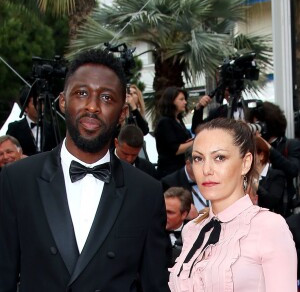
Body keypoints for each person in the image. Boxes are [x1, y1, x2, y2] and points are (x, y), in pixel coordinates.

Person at [0, 49, 170, 292]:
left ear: (122, 113)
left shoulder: (146, 192)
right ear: (62, 100)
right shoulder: (17, 180)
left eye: (107, 98)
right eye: (81, 93)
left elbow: (154, 284)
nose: (92, 106)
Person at [168, 118, 297, 292]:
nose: (206, 169)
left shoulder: (269, 227)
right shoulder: (192, 230)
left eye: (219, 157)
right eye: (198, 158)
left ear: (245, 163)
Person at [247, 101, 300, 216]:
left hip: (283, 210)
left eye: (260, 124)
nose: (257, 128)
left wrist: (267, 147)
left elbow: (293, 170)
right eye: (254, 124)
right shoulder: (253, 149)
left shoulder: (290, 145)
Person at [6, 85, 57, 156]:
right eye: (35, 103)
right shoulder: (15, 128)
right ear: (26, 107)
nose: (40, 106)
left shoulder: (51, 127)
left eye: (41, 103)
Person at [155, 86, 193, 178]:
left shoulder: (178, 120)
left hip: (181, 168)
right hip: (170, 171)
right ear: (171, 101)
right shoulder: (165, 122)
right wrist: (195, 142)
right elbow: (175, 149)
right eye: (181, 99)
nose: (185, 102)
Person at [161, 146, 208, 218]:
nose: (205, 171)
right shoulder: (170, 183)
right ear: (188, 164)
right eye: (200, 167)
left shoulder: (214, 176)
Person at [253, 135, 287, 214]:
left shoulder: (277, 175)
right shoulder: (245, 174)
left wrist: (254, 184)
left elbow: (271, 202)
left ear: (261, 156)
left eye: (251, 154)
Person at [164, 187, 192, 267]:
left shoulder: (197, 232)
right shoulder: (150, 233)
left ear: (184, 214)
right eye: (162, 211)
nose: (164, 216)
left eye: (170, 212)